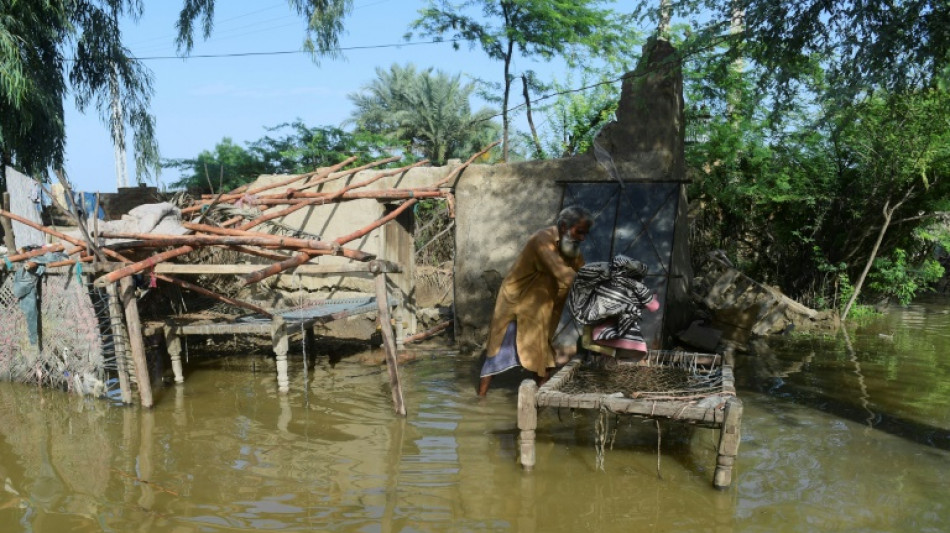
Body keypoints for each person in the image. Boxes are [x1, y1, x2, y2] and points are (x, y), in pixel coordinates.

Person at [477, 206, 593, 395]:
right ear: (564, 226)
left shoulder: (570, 245)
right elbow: (563, 273)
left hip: (540, 304)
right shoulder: (542, 240)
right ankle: (481, 400)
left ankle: (540, 399)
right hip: (518, 302)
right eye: (579, 232)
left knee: (541, 350)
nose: (582, 238)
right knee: (497, 352)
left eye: (585, 234)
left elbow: (583, 269)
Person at [567, 255, 660, 361]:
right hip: (602, 320)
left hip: (606, 325)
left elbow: (652, 305)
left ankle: (608, 356)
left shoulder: (624, 284)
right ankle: (606, 357)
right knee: (586, 342)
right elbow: (653, 305)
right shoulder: (632, 285)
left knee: (586, 342)